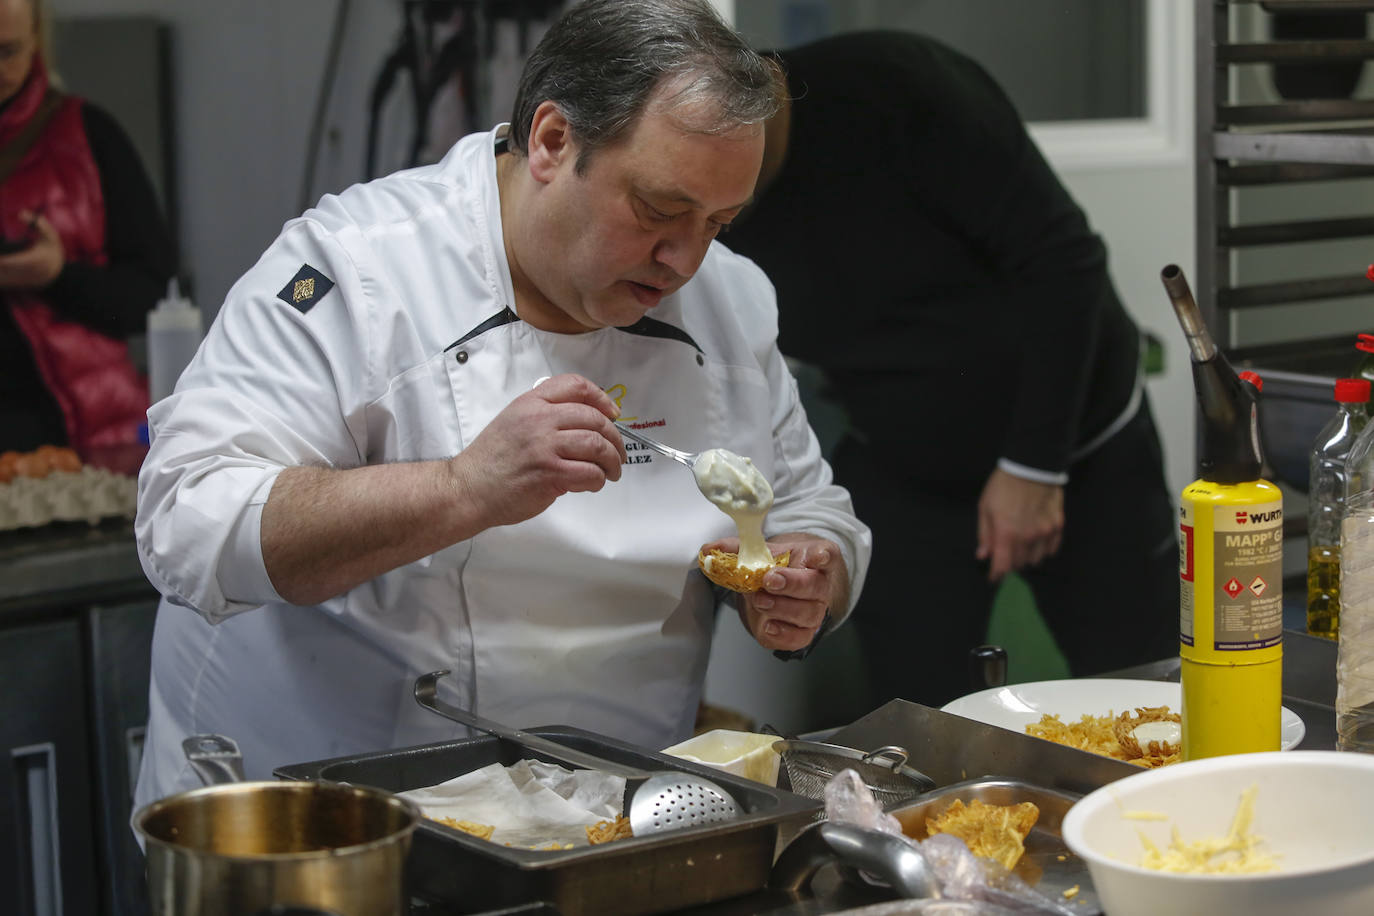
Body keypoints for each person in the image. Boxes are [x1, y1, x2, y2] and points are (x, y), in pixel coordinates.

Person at [132, 0, 870, 808]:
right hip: (342, 815)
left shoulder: (732, 302)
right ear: (553, 141)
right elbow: (187, 517)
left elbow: (810, 505)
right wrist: (461, 488)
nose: (685, 259)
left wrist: (809, 578)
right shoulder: (355, 271)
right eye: (658, 211)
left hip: (610, 810)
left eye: (718, 222)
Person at [722, 31, 1178, 709]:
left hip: (1076, 438)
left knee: (1145, 692)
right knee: (914, 719)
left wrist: (1033, 465)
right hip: (906, 457)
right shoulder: (695, 208)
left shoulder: (903, 90)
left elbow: (1065, 262)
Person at [0, 0, 177, 453]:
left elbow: (150, 297)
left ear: (37, 42)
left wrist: (59, 277)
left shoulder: (86, 136)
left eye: (7, 52)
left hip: (85, 441)